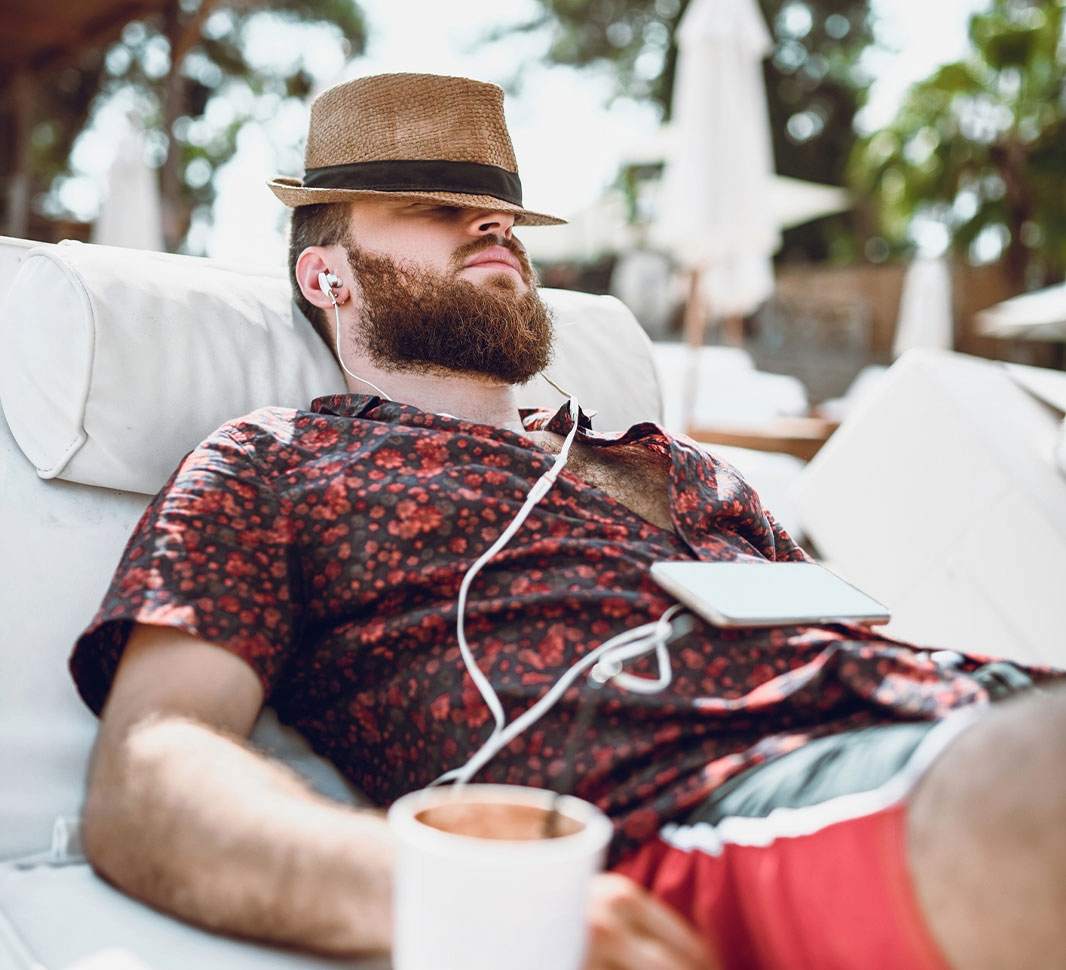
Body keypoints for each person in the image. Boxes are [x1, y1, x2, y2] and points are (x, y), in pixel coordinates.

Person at [70, 73, 1066, 970]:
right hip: (717, 809)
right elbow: (151, 768)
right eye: (438, 208)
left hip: (947, 711)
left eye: (503, 215)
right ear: (325, 275)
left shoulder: (677, 466)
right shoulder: (279, 461)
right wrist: (470, 897)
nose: (494, 229)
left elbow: (842, 631)